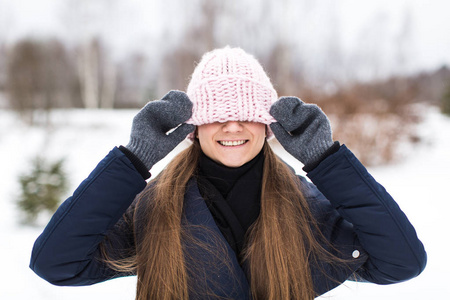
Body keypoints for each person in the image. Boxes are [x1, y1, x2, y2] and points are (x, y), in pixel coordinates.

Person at [30, 47, 426, 300]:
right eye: (217, 116)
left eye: (247, 116)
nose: (232, 127)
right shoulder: (154, 208)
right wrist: (133, 160)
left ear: (268, 125)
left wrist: (327, 160)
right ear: (194, 127)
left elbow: (401, 261)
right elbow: (56, 263)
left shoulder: (306, 206)